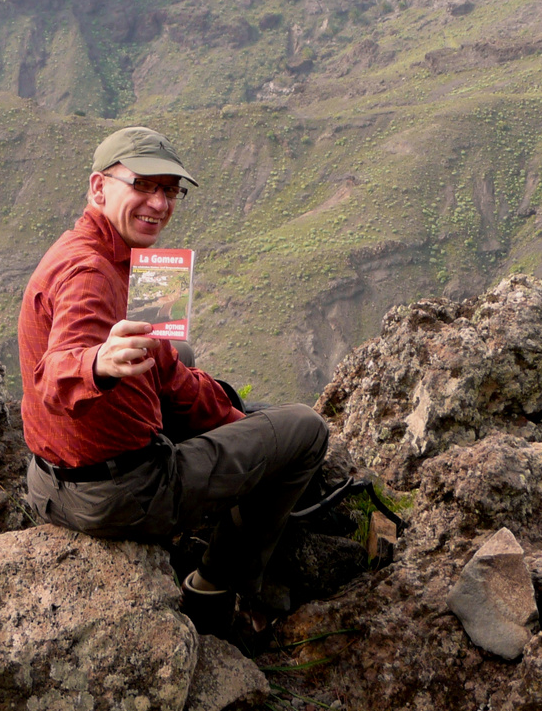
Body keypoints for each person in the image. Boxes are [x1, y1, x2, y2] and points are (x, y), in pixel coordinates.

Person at [18, 125, 328, 633]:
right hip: (121, 496)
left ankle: (227, 431)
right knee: (306, 429)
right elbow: (57, 372)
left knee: (173, 349)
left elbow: (166, 366)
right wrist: (95, 364)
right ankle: (214, 589)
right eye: (143, 185)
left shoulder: (107, 254)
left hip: (48, 482)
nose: (159, 204)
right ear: (100, 188)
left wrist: (231, 418)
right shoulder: (91, 274)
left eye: (169, 190)